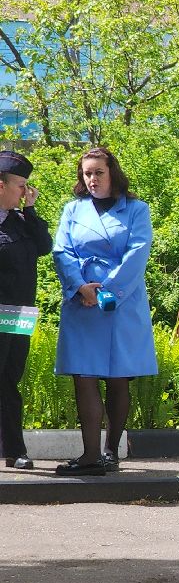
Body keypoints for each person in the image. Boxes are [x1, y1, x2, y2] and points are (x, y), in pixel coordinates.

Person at [50, 146, 158, 476]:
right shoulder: (72, 209)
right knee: (83, 375)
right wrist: (80, 286)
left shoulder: (136, 209)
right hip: (81, 300)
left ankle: (111, 450)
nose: (92, 179)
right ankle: (90, 455)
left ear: (112, 172)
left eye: (98, 172)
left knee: (117, 376)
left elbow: (138, 254)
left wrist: (106, 292)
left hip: (120, 303)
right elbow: (61, 250)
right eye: (87, 173)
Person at [0, 150, 52, 470]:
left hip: (18, 313)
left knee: (9, 380)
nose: (25, 192)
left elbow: (45, 247)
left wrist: (30, 210)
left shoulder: (22, 222)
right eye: (21, 186)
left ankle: (14, 449)